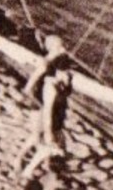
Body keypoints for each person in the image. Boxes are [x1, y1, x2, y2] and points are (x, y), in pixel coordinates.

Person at [16, 46, 73, 179]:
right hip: (49, 117)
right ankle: (28, 170)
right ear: (58, 71)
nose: (67, 76)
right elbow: (47, 112)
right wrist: (48, 133)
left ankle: (26, 161)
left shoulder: (62, 80)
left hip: (56, 117)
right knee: (47, 146)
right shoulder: (51, 87)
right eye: (64, 73)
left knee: (40, 140)